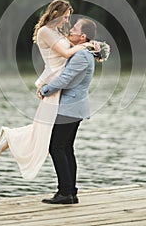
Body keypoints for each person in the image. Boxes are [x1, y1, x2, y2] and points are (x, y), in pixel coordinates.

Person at [0, 0, 89, 180]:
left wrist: (92, 45)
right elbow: (66, 53)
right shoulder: (45, 32)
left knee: (44, 129)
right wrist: (84, 46)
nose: (66, 21)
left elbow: (73, 44)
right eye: (65, 17)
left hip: (59, 81)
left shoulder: (57, 31)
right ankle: (11, 138)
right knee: (44, 130)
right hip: (54, 81)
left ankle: (11, 138)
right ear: (55, 14)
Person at [38, 17, 97, 205]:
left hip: (70, 107)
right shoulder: (84, 51)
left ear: (83, 36)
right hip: (75, 107)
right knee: (66, 148)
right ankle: (70, 192)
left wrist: (45, 89)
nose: (70, 30)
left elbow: (65, 78)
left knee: (56, 147)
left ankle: (65, 192)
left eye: (75, 28)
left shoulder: (81, 55)